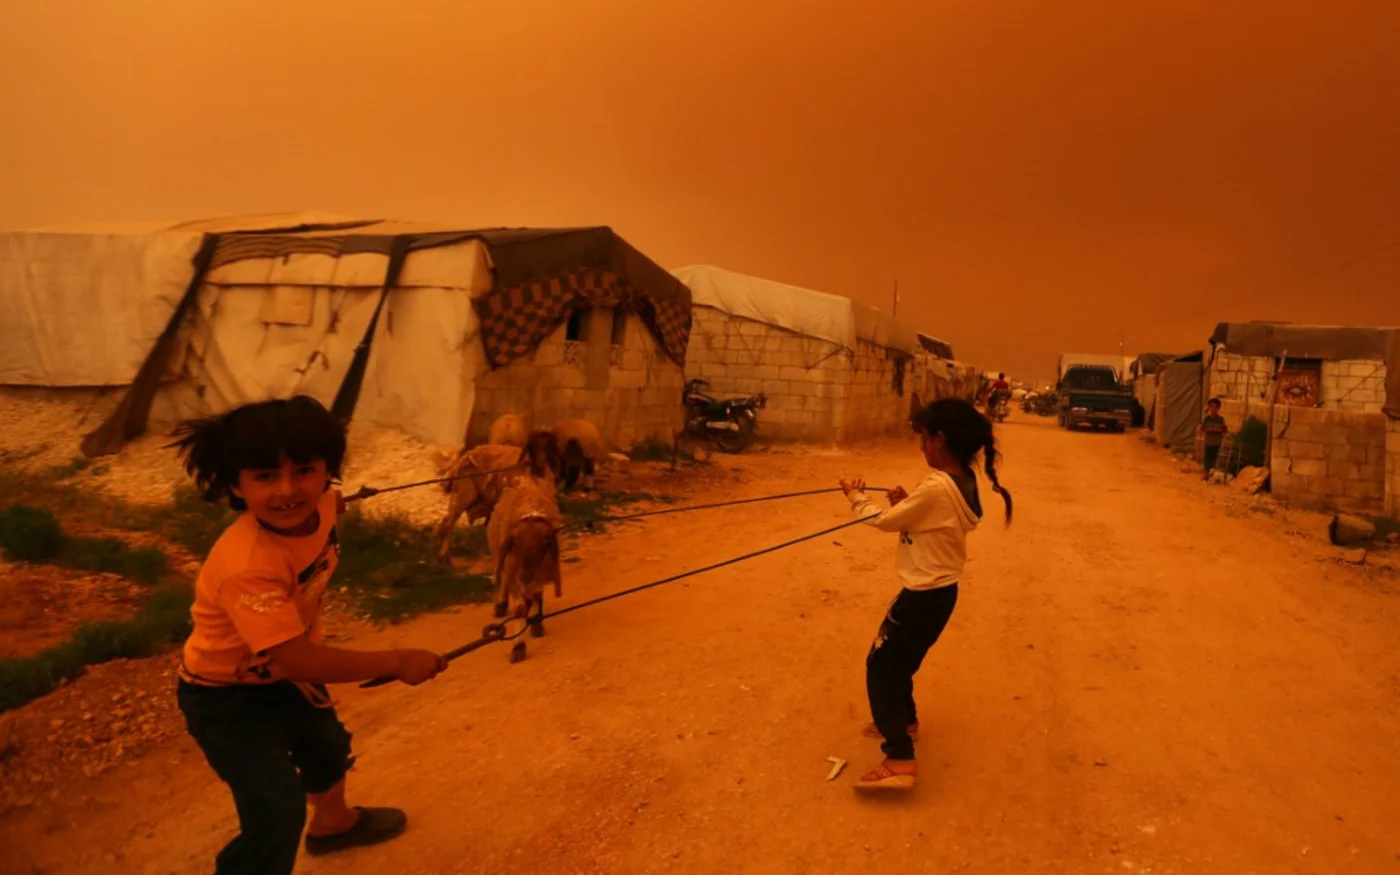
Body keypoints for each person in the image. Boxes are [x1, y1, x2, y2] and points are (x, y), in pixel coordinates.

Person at [169, 396, 449, 875]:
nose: (287, 491)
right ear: (234, 484)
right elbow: (296, 660)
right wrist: (397, 660)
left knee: (325, 743)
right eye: (264, 477)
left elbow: (327, 499)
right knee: (275, 807)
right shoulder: (247, 564)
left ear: (326, 472)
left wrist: (349, 497)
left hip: (280, 672)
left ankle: (334, 823)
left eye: (304, 470)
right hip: (224, 694)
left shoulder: (320, 503)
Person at [839, 397, 1013, 792]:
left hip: (921, 595)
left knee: (881, 665)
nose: (921, 446)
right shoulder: (964, 480)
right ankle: (906, 721)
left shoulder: (936, 487)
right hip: (940, 594)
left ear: (940, 439)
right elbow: (939, 522)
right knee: (901, 662)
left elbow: (882, 521)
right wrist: (908, 506)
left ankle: (899, 757)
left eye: (923, 438)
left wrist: (854, 497)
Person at [1199, 397, 1229, 480]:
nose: (1213, 409)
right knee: (1207, 459)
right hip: (1208, 442)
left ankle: (1214, 475)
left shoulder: (1221, 419)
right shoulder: (1206, 419)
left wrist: (1217, 430)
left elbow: (1225, 429)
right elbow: (1201, 429)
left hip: (1217, 443)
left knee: (1216, 459)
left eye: (1216, 407)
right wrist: (1209, 430)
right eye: (1212, 406)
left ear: (1219, 408)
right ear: (1209, 407)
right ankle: (1206, 475)